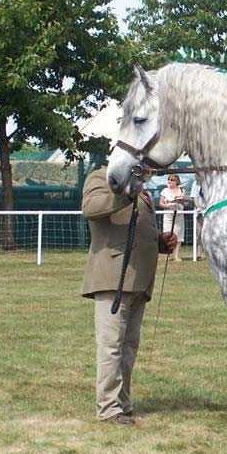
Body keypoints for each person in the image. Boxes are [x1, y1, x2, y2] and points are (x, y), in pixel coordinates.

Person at [81, 169, 178, 425]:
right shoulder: (101, 177)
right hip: (113, 275)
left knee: (128, 347)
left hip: (138, 278)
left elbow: (135, 229)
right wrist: (125, 195)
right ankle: (109, 408)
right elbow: (91, 207)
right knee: (111, 345)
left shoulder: (142, 187)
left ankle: (122, 402)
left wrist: (159, 240)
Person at [159, 174, 186, 261]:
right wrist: (168, 205)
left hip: (179, 214)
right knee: (167, 235)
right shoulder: (164, 191)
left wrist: (181, 201)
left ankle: (176, 255)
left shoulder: (181, 190)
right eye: (169, 179)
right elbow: (161, 203)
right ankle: (167, 255)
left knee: (178, 234)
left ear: (176, 181)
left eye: (172, 180)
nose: (169, 181)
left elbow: (185, 204)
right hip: (168, 215)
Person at [190, 176, 205, 260]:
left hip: (209, 210)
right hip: (199, 211)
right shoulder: (195, 184)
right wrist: (198, 207)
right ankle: (198, 254)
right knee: (198, 233)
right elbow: (195, 196)